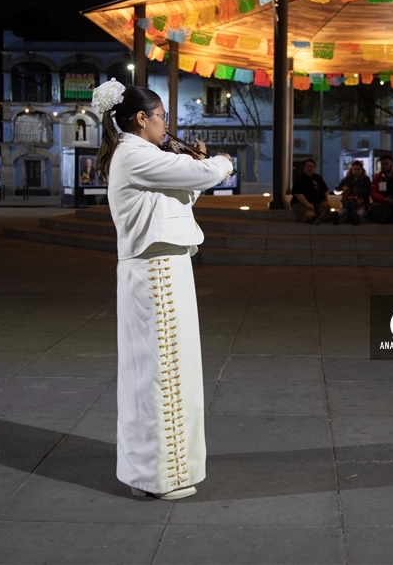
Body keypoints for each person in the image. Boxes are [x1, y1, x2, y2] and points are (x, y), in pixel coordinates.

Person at [93, 79, 232, 501]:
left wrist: (197, 170)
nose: (165, 124)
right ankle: (163, 477)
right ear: (141, 119)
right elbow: (203, 174)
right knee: (166, 373)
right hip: (157, 273)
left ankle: (149, 473)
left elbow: (181, 193)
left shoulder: (138, 156)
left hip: (161, 266)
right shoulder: (135, 154)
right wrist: (222, 162)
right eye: (162, 117)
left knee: (153, 372)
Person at [291, 159, 334, 224]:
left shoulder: (317, 177)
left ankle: (317, 217)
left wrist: (326, 200)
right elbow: (298, 194)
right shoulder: (299, 179)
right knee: (307, 211)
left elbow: (325, 190)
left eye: (311, 167)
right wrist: (307, 204)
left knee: (327, 207)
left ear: (314, 168)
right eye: (307, 167)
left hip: (317, 203)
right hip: (301, 203)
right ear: (304, 168)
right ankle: (313, 218)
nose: (309, 169)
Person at [336, 160, 370, 225]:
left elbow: (368, 190)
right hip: (348, 205)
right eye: (354, 169)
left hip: (361, 204)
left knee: (357, 215)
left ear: (362, 170)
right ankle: (341, 218)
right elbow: (337, 189)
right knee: (339, 214)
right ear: (352, 170)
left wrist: (356, 190)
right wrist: (343, 189)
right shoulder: (347, 179)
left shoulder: (365, 179)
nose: (356, 171)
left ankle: (347, 218)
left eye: (358, 169)